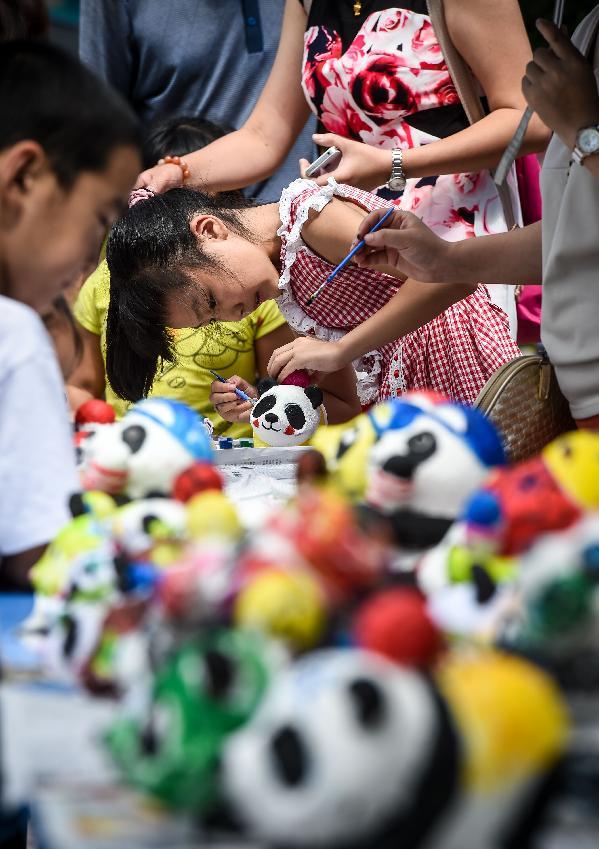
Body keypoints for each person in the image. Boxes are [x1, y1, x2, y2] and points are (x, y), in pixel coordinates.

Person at [135, 0, 550, 334]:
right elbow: (265, 135)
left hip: (456, 231)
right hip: (350, 250)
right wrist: (180, 171)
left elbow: (531, 119)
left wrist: (393, 164)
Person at [350, 15, 599, 431]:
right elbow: (576, 229)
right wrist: (445, 259)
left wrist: (585, 131)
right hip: (575, 388)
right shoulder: (587, 28)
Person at [103, 181, 519, 420]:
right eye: (211, 321)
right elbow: (345, 405)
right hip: (415, 403)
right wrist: (267, 410)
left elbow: (451, 279)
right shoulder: (288, 288)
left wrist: (343, 349)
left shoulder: (312, 221)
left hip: (461, 368)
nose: (229, 318)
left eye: (209, 301)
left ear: (210, 230)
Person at [0, 40, 141, 589]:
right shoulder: (14, 335)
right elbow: (50, 559)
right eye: (99, 218)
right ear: (25, 176)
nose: (93, 255)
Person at [68, 115, 303, 437]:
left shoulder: (258, 288)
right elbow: (82, 385)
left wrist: (255, 402)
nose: (228, 316)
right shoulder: (103, 285)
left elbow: (281, 385)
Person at [79, 0, 314, 202]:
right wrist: (176, 172)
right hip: (184, 217)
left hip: (313, 211)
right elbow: (264, 137)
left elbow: (265, 136)